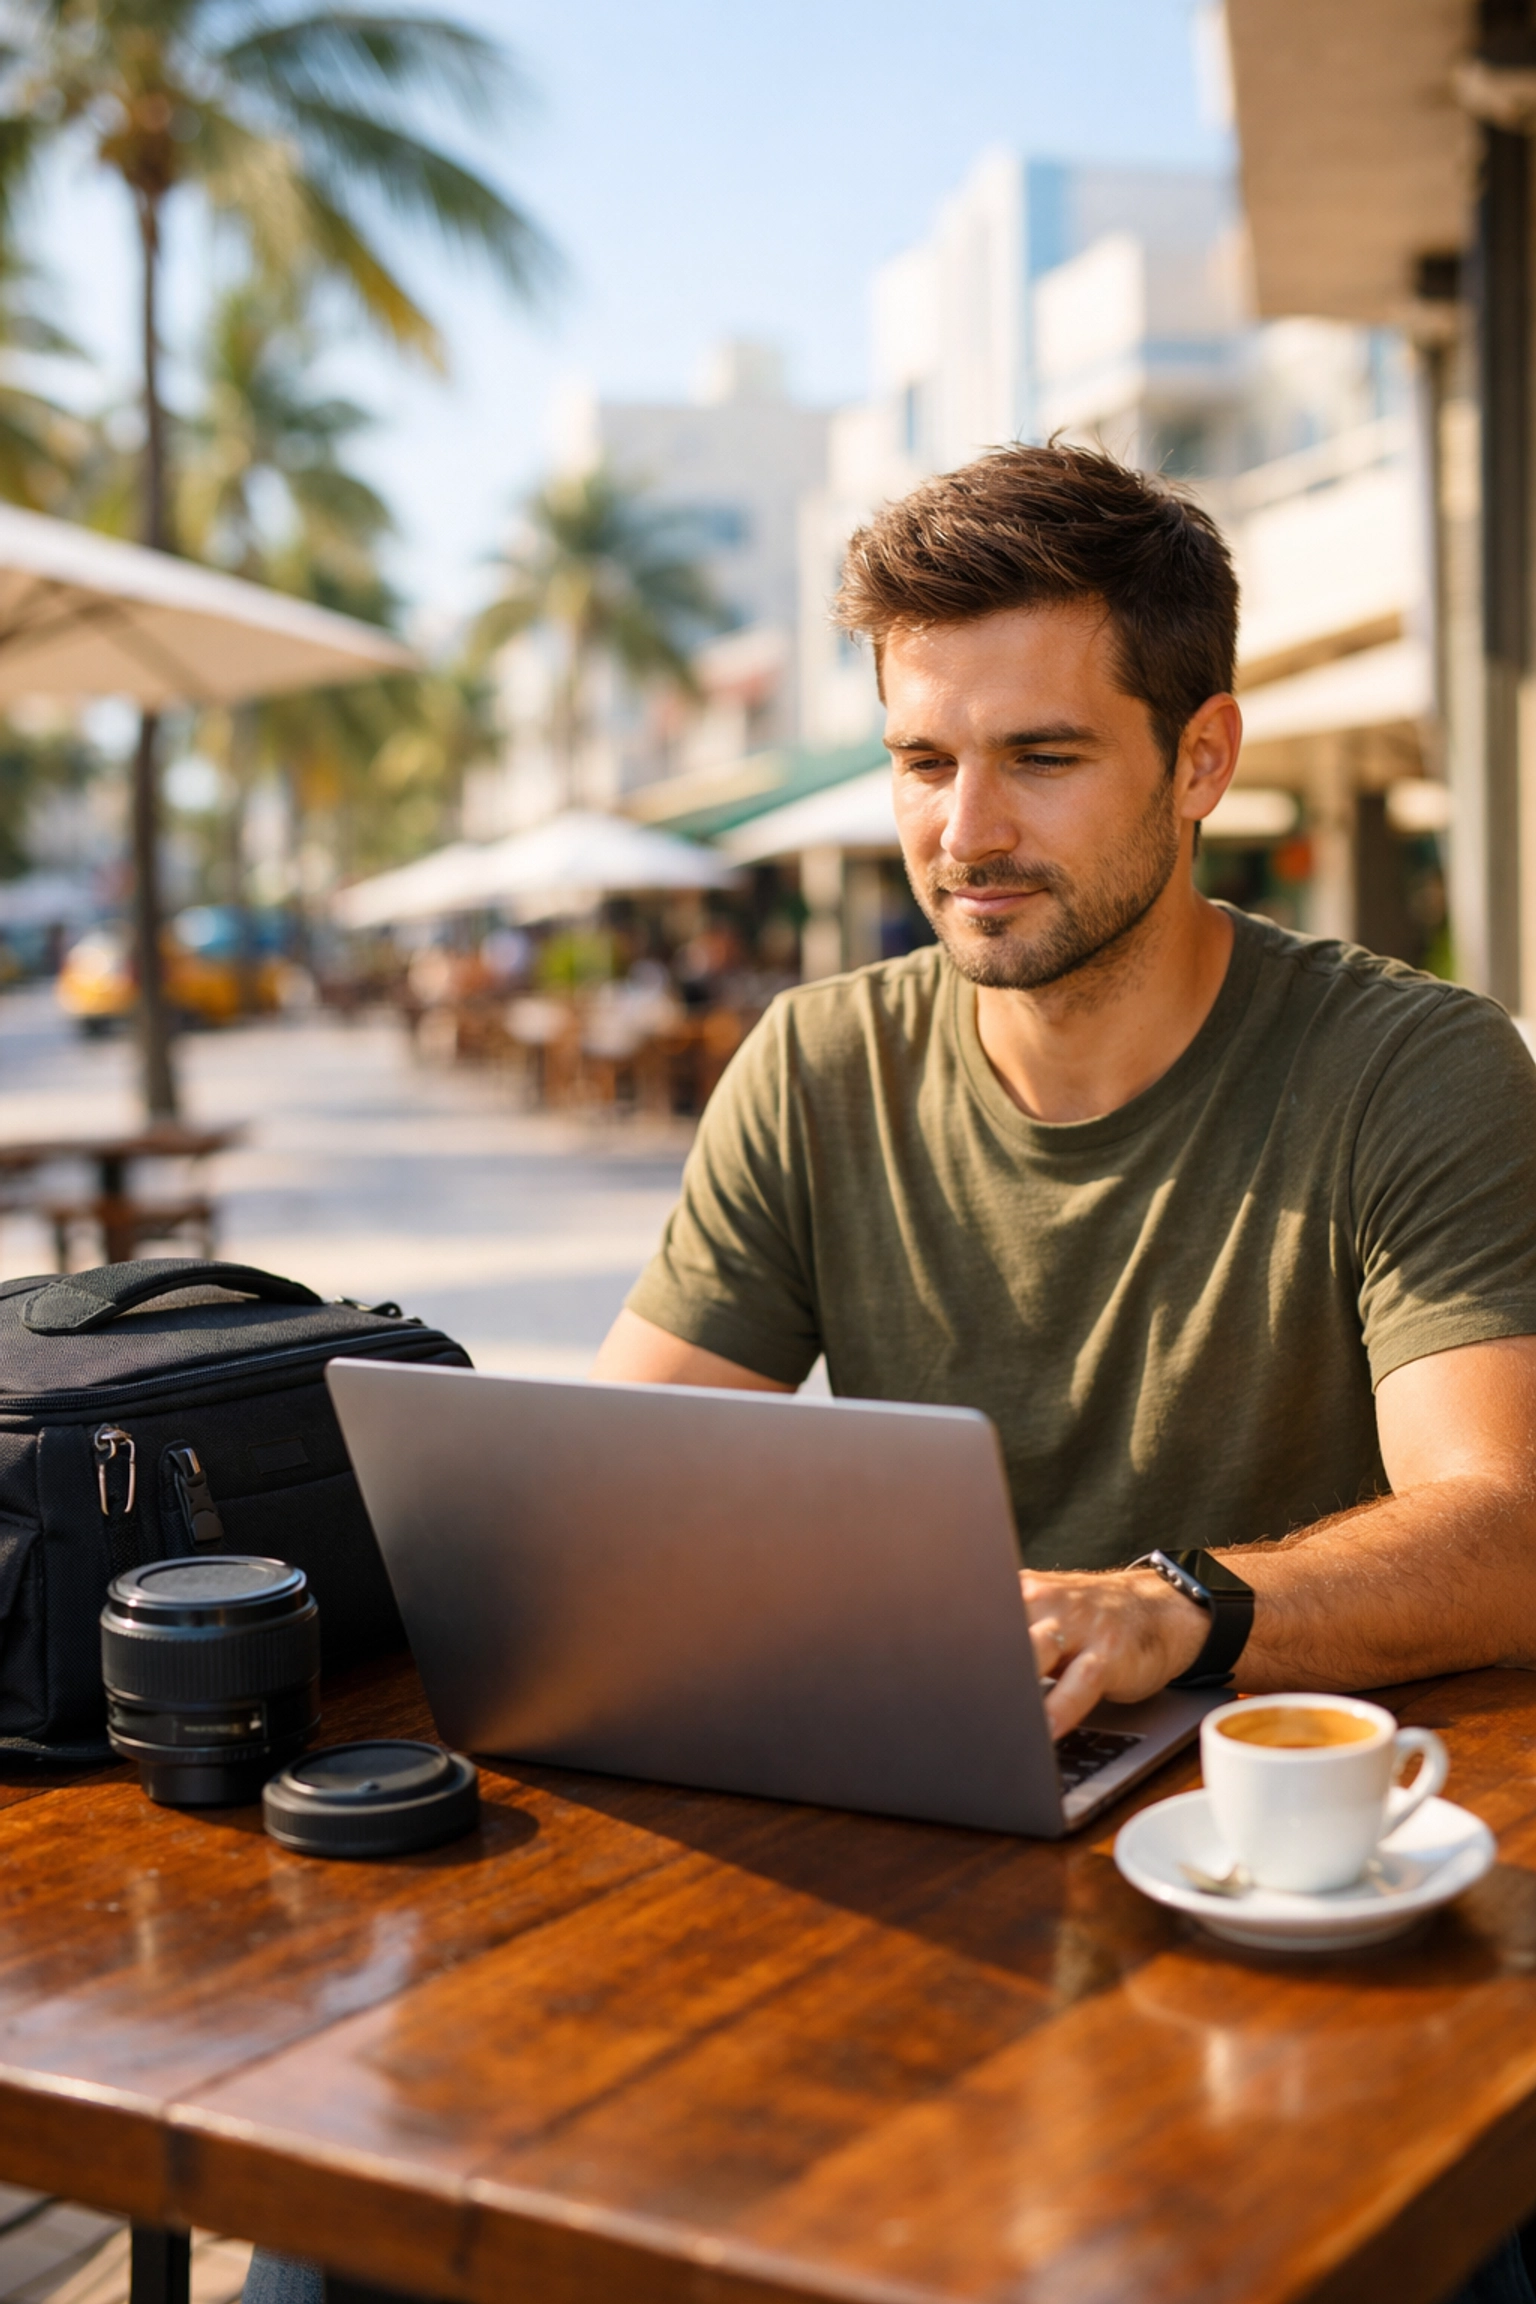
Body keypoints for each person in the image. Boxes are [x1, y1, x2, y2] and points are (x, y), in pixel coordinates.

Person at [583, 442, 1536, 2304]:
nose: (965, 831)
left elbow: (1507, 1529)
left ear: (1200, 762)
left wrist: (1180, 1601)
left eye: (1041, 756)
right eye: (924, 763)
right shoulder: (816, 1062)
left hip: (1294, 1886)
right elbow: (614, 1487)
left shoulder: (1411, 1070)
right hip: (929, 1867)